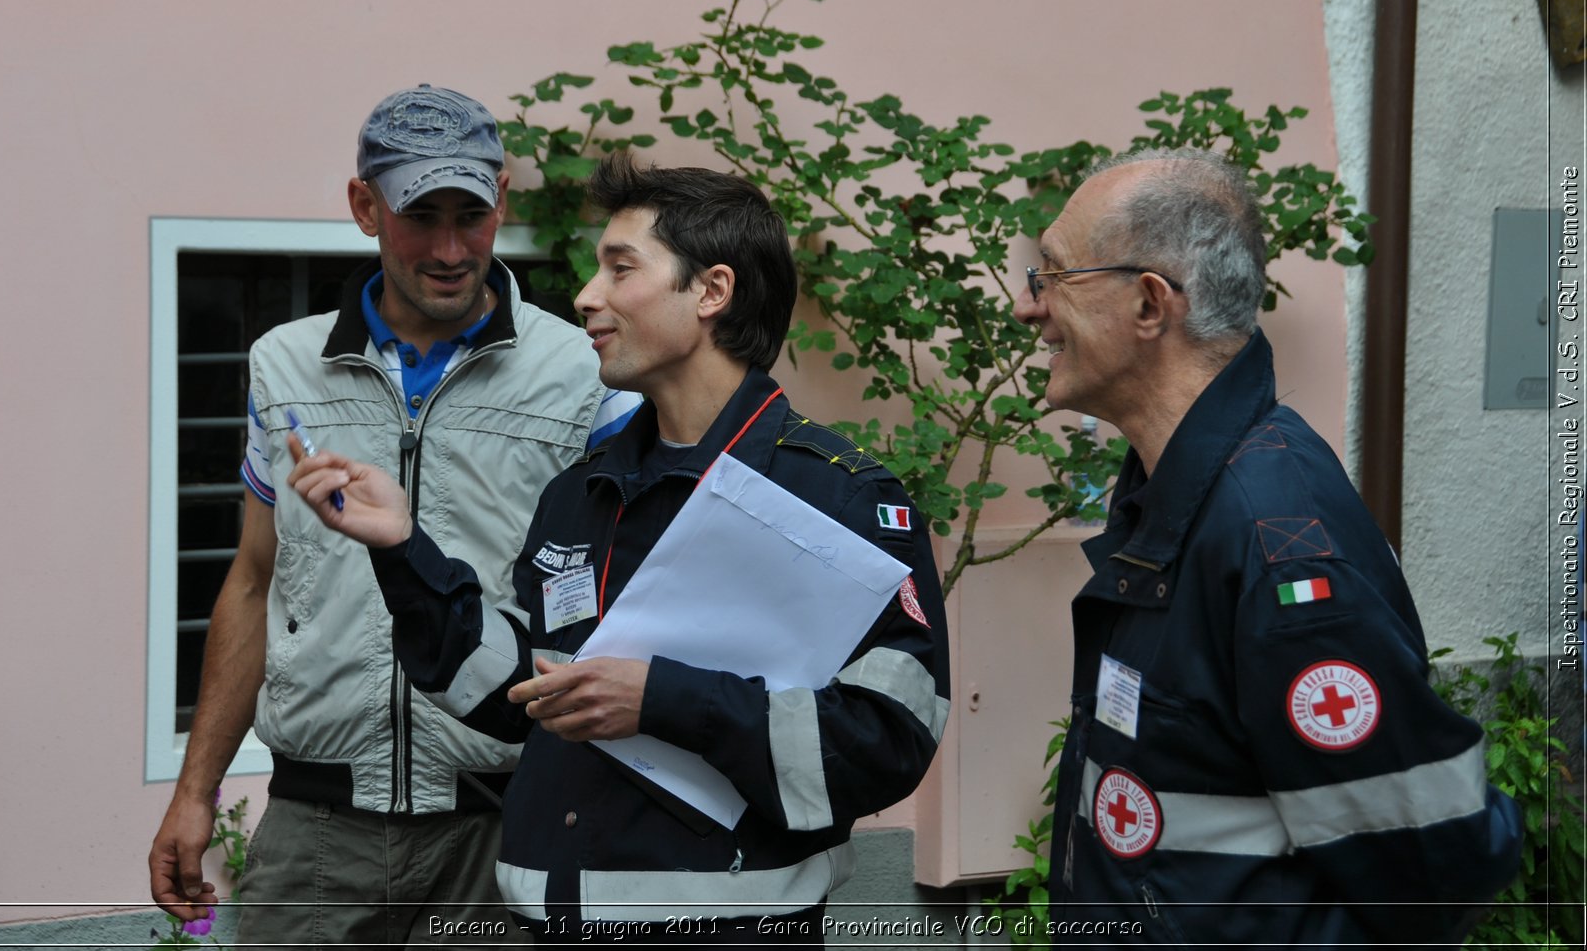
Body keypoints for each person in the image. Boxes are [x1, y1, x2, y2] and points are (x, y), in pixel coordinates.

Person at [285, 152, 951, 944]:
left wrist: (663, 699)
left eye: (619, 269)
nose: (586, 297)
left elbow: (891, 736)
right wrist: (402, 547)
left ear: (712, 290)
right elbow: (515, 693)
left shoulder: (839, 496)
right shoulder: (581, 491)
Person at [148, 84, 638, 945]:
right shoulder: (284, 365)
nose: (451, 249)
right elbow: (255, 580)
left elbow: (631, 592)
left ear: (502, 204)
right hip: (318, 828)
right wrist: (196, 790)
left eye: (470, 215)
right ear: (364, 206)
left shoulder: (585, 372)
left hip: (502, 817)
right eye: (422, 216)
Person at [1010, 148, 1521, 946]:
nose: (1028, 308)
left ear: (1150, 305)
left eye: (1052, 276)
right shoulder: (1171, 488)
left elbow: (1428, 867)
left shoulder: (1275, 539)